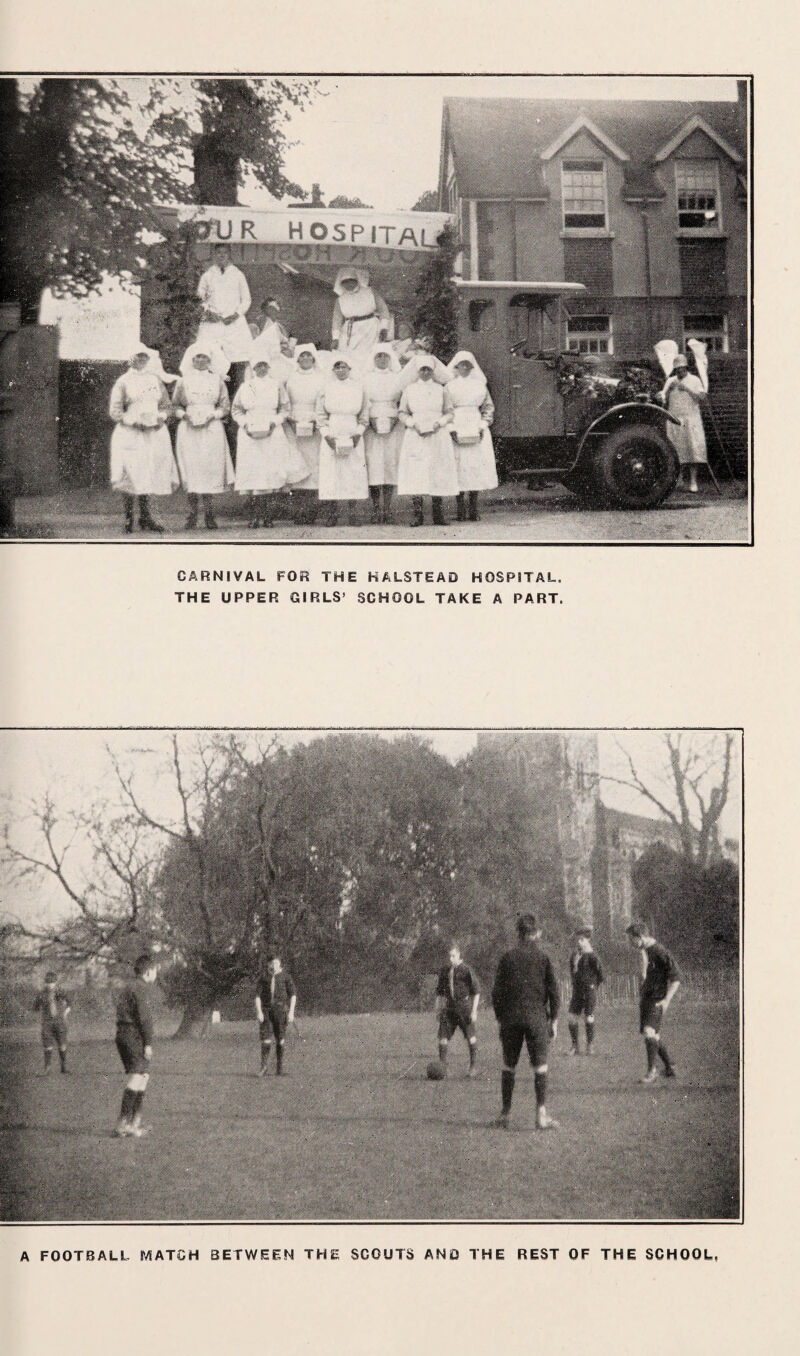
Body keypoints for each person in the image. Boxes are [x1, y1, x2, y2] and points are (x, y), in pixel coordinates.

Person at [491, 913, 560, 1130]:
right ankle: (541, 1115)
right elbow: (554, 992)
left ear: (518, 933)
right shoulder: (543, 958)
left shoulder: (507, 958)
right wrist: (554, 1019)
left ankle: (505, 1114)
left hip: (510, 1019)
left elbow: (496, 993)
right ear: (536, 933)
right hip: (536, 1018)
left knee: (508, 1066)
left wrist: (501, 1018)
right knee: (540, 1067)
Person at [231, 343, 306, 528]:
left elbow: (285, 408)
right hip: (250, 434)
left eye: (264, 365)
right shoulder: (245, 387)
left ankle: (268, 517)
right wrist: (245, 425)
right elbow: (236, 410)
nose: (261, 368)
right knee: (254, 474)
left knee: (271, 474)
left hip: (272, 432)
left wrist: (274, 422)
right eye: (258, 366)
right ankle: (254, 516)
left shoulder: (276, 385)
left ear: (268, 367)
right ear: (253, 368)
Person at [108, 344, 178, 533]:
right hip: (131, 433)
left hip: (154, 433)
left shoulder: (155, 380)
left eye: (144, 357)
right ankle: (128, 518)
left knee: (149, 473)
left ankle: (146, 517)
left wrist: (160, 419)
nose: (140, 360)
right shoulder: (123, 381)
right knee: (131, 474)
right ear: (131, 359)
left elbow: (166, 405)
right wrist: (132, 421)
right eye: (137, 357)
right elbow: (115, 411)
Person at [172, 342, 234, 530]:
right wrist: (185, 416)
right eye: (198, 357)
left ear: (210, 360)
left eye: (205, 357)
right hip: (189, 428)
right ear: (192, 360)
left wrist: (212, 416)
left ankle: (209, 514)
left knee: (209, 468)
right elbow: (175, 405)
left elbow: (225, 406)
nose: (201, 360)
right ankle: (192, 514)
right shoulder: (183, 381)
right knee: (192, 468)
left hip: (211, 428)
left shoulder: (218, 381)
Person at [396, 354, 457, 526]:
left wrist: (440, 423)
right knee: (417, 472)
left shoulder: (441, 389)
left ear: (433, 371)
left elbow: (450, 412)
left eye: (428, 369)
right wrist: (412, 424)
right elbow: (402, 412)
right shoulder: (409, 389)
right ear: (417, 371)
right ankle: (418, 515)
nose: (425, 372)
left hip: (437, 434)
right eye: (422, 369)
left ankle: (438, 514)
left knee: (438, 471)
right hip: (416, 435)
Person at [315, 354, 370, 526]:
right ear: (333, 370)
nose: (340, 370)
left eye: (343, 367)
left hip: (352, 429)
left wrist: (358, 433)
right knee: (331, 473)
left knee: (353, 471)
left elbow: (364, 414)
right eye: (337, 367)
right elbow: (320, 414)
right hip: (333, 430)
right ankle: (332, 514)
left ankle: (353, 514)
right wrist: (326, 435)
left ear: (350, 369)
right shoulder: (326, 388)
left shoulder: (359, 388)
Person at [445, 350, 498, 522]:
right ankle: (460, 508)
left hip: (475, 425)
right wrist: (451, 427)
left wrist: (483, 425)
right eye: (462, 365)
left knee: (475, 466)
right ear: (456, 367)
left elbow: (488, 407)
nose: (465, 368)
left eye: (468, 365)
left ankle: (474, 508)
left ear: (472, 367)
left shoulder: (479, 386)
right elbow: (445, 408)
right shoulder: (449, 387)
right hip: (457, 424)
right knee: (458, 466)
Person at [626, 923, 681, 1083]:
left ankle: (652, 1071)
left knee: (649, 1032)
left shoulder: (660, 951)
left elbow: (676, 978)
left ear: (640, 937)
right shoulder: (645, 951)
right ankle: (670, 1066)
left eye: (632, 940)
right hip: (647, 999)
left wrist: (666, 1001)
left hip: (657, 1000)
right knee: (652, 1035)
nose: (631, 943)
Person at [196, 243, 253, 392]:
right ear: (214, 255)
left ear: (229, 255)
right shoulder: (207, 276)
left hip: (233, 324)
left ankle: (235, 399)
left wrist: (236, 314)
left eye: (225, 253)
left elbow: (246, 300)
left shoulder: (238, 275)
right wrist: (208, 312)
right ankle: (212, 395)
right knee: (210, 358)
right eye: (218, 253)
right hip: (212, 323)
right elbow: (199, 299)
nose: (221, 256)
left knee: (237, 360)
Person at [113, 953, 158, 1138]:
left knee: (143, 1076)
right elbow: (144, 1018)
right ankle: (123, 1125)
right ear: (148, 972)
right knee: (137, 1076)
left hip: (124, 1034)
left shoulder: (129, 986)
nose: (156, 975)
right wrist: (148, 1043)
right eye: (155, 971)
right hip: (133, 1035)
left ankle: (134, 1123)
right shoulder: (141, 988)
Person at [285, 343, 327, 525]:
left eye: (308, 356)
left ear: (314, 358)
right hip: (294, 423)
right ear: (297, 359)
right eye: (302, 356)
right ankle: (298, 510)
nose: (305, 359)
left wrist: (315, 420)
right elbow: (285, 402)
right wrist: (292, 421)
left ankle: (312, 511)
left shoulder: (321, 378)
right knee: (296, 464)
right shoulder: (290, 378)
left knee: (314, 465)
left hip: (314, 424)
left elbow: (324, 402)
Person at [363, 343, 405, 524]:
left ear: (390, 358)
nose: (381, 359)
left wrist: (395, 418)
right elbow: (363, 401)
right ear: (373, 359)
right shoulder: (366, 378)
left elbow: (403, 401)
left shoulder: (398, 377)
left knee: (390, 463)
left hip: (393, 423)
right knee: (374, 464)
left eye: (385, 356)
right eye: (378, 356)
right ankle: (375, 508)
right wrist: (369, 420)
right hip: (372, 423)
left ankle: (387, 508)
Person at [660, 353, 708, 494]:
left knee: (692, 449)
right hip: (675, 418)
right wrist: (667, 391)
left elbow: (700, 398)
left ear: (686, 368)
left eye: (682, 369)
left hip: (691, 419)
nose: (680, 371)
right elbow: (663, 399)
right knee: (676, 450)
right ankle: (679, 480)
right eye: (677, 369)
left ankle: (693, 481)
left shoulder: (694, 380)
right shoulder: (671, 381)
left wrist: (686, 388)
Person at [331, 267, 391, 368]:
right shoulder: (340, 299)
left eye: (351, 281)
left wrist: (384, 328)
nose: (348, 284)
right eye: (345, 282)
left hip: (370, 328)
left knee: (368, 357)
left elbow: (383, 309)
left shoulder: (370, 292)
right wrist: (335, 338)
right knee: (348, 357)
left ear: (356, 280)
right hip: (350, 331)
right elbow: (336, 319)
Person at [435, 943, 480, 1076]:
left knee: (471, 1037)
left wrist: (474, 1011)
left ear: (459, 956)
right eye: (449, 956)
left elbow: (476, 991)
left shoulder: (466, 970)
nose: (451, 959)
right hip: (448, 1009)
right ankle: (443, 1067)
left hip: (464, 1008)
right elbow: (439, 992)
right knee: (442, 1038)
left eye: (453, 956)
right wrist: (438, 1009)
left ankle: (473, 1067)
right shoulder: (444, 971)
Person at [254, 956, 297, 1076]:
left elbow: (293, 995)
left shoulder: (286, 977)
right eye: (271, 964)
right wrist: (259, 1012)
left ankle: (279, 1068)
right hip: (266, 1010)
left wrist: (291, 1012)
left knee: (280, 1039)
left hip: (281, 1010)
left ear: (279, 963)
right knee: (266, 1039)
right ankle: (263, 1067)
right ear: (268, 964)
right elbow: (257, 996)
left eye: (275, 963)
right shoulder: (263, 978)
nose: (273, 966)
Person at [566, 929, 604, 1055]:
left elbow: (601, 976)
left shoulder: (593, 956)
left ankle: (590, 1045)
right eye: (577, 940)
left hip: (589, 991)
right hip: (577, 991)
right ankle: (575, 1046)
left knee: (589, 1017)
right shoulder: (574, 955)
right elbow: (572, 972)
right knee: (571, 1018)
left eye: (581, 940)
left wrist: (592, 987)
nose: (579, 942)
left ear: (587, 940)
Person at [33, 971, 71, 1074]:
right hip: (47, 1022)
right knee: (47, 1045)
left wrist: (65, 1013)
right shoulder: (41, 994)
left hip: (60, 1021)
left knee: (62, 1044)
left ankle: (63, 1066)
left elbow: (69, 1004)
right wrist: (38, 1006)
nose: (50, 985)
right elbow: (35, 1008)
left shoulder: (61, 992)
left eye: (52, 982)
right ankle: (47, 1068)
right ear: (45, 983)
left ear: (56, 982)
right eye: (48, 982)